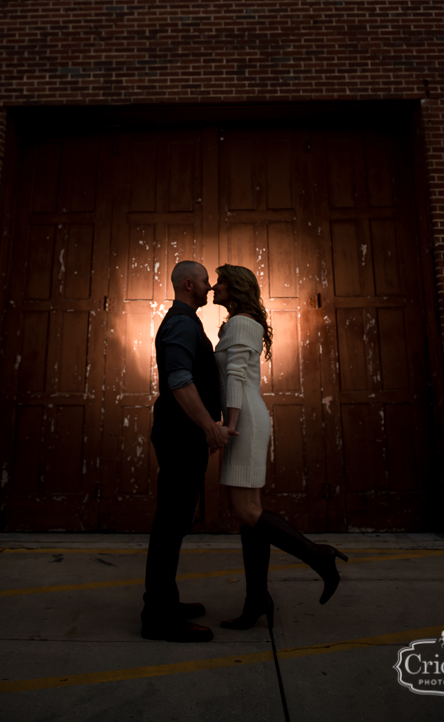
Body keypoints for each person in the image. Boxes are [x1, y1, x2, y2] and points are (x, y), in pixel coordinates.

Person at [213, 263, 348, 630]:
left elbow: (237, 376)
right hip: (245, 417)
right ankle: (257, 599)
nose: (214, 286)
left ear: (236, 288)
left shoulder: (241, 323)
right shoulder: (238, 323)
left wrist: (230, 427)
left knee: (244, 509)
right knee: (250, 511)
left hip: (245, 421)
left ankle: (318, 555)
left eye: (221, 281)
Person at [141, 260, 235, 643]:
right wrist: (209, 426)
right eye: (205, 282)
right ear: (187, 284)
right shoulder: (181, 322)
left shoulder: (187, 321)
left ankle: (165, 602)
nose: (210, 288)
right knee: (170, 526)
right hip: (181, 435)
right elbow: (180, 381)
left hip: (183, 435)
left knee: (175, 523)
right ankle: (159, 618)